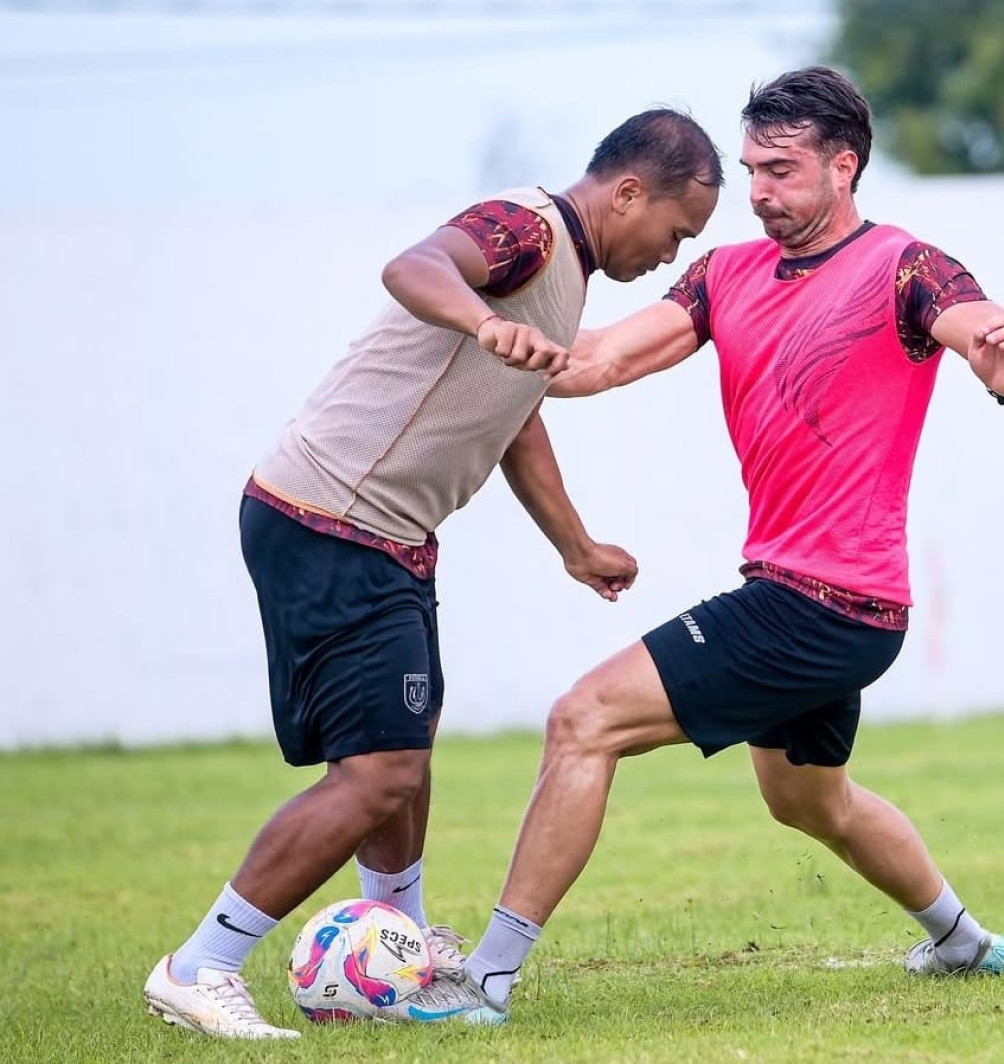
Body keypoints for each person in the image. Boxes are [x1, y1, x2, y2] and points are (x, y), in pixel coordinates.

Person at [430, 66, 1004, 1023]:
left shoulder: (906, 267)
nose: (757, 190)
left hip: (823, 600)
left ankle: (486, 980)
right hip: (816, 599)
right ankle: (964, 941)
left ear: (843, 167)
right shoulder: (724, 274)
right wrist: (499, 339)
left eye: (781, 169)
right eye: (751, 168)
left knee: (582, 719)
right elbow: (600, 360)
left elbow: (998, 343)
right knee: (810, 802)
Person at [142, 108, 723, 1039]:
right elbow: (413, 268)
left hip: (384, 535)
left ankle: (399, 943)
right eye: (676, 231)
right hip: (332, 519)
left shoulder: (567, 272)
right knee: (378, 772)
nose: (670, 252)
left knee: (404, 751)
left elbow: (514, 412)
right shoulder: (526, 227)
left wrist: (575, 545)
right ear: (627, 192)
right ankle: (200, 964)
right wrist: (485, 321)